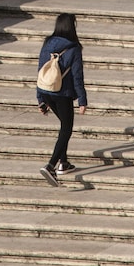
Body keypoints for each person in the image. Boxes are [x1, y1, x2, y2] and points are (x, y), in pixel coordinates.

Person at [36, 12, 87, 185]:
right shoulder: (74, 48)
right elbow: (77, 76)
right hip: (62, 94)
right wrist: (82, 100)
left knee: (64, 126)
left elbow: (41, 71)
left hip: (47, 91)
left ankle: (63, 163)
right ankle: (51, 165)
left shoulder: (47, 43)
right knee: (67, 128)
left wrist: (40, 99)